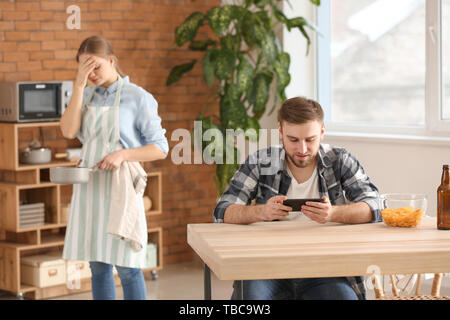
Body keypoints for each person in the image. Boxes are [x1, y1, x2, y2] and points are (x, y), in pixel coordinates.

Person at [213, 97, 382, 300]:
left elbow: (376, 206)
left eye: (310, 140)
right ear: (280, 132)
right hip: (265, 268)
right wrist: (261, 211)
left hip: (326, 269)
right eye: (293, 140)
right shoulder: (261, 161)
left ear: (322, 132)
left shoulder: (340, 160)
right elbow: (222, 211)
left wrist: (334, 213)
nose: (302, 150)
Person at [60, 35, 168, 300]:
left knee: (128, 266)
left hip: (121, 188)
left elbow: (160, 147)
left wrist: (123, 154)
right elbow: (68, 130)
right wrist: (78, 84)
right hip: (90, 187)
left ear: (112, 60)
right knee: (98, 266)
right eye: (84, 67)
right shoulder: (85, 96)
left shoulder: (138, 97)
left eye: (95, 66)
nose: (92, 73)